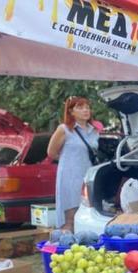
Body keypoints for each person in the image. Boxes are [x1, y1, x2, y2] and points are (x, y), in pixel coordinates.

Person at [47, 96, 100, 232]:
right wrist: (70, 161)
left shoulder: (94, 131)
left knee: (88, 214)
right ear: (71, 111)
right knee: (70, 217)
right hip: (70, 176)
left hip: (88, 175)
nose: (85, 110)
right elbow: (51, 153)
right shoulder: (64, 129)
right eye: (80, 107)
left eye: (87, 107)